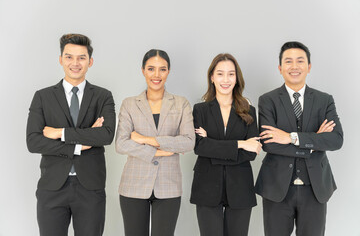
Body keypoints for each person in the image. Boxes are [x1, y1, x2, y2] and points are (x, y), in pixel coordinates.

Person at [26, 33, 116, 236]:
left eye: (81, 57)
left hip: (90, 189)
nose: (75, 63)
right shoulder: (43, 97)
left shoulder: (103, 96)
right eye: (69, 57)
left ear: (90, 61)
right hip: (52, 188)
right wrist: (78, 144)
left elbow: (106, 135)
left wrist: (60, 132)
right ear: (60, 60)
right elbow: (33, 141)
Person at [255, 41, 344, 236]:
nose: (294, 66)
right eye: (288, 61)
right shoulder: (267, 100)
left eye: (300, 61)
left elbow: (336, 139)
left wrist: (290, 137)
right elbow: (269, 143)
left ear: (309, 67)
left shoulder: (324, 100)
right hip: (277, 188)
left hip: (315, 189)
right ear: (280, 68)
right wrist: (313, 143)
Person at [115, 49, 195, 236]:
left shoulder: (181, 104)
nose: (156, 75)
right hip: (133, 185)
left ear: (168, 72)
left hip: (168, 185)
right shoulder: (129, 104)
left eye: (162, 69)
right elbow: (121, 144)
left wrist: (145, 140)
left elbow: (188, 142)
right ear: (143, 70)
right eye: (151, 69)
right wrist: (159, 151)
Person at [190, 53, 262, 236]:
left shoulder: (249, 111)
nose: (226, 79)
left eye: (231, 74)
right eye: (220, 74)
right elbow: (199, 147)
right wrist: (240, 143)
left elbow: (251, 152)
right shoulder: (200, 110)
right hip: (206, 186)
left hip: (240, 187)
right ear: (212, 78)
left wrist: (213, 145)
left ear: (237, 79)